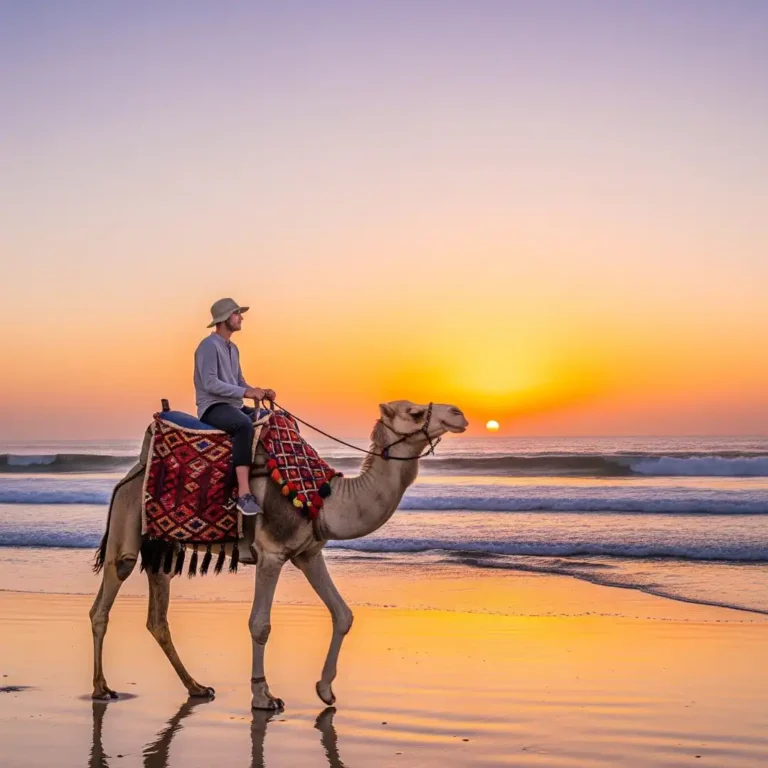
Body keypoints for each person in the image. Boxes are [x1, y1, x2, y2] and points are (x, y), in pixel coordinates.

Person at [194, 297, 276, 516]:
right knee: (243, 425)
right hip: (213, 407)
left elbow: (239, 382)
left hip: (234, 405)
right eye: (237, 313)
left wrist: (259, 390)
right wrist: (246, 393)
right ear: (223, 318)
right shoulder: (208, 346)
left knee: (273, 418)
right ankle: (243, 494)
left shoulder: (233, 348)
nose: (241, 317)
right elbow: (210, 383)